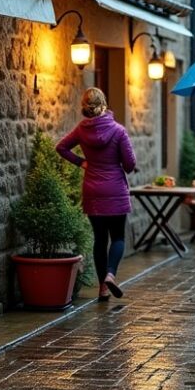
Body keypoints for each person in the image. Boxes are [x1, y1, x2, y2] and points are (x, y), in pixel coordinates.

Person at [56, 87, 136, 301]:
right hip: (115, 190)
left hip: (92, 189)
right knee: (118, 237)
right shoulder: (118, 131)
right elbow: (130, 165)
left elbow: (61, 147)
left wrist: (82, 162)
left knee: (100, 239)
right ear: (104, 104)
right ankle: (111, 274)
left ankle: (102, 288)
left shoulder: (82, 130)